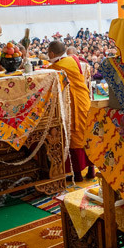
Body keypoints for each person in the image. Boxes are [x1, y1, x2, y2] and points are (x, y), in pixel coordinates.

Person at [47, 41, 94, 181]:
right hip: (84, 100)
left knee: (74, 136)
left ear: (51, 54)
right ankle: (91, 170)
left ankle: (77, 174)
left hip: (73, 104)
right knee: (87, 134)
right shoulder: (74, 59)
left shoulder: (55, 67)